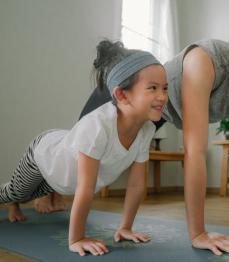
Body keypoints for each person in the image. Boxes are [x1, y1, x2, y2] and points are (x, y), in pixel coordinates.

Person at [38, 16, 229, 256]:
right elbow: (194, 151)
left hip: (159, 115)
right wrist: (198, 233)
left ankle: (53, 196)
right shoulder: (205, 59)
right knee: (73, 153)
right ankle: (47, 192)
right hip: (130, 101)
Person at [0, 40, 168, 256]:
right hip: (43, 155)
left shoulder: (145, 130)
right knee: (16, 192)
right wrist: (77, 238)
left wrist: (125, 227)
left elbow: (136, 186)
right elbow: (85, 188)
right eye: (152, 88)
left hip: (61, 176)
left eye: (164, 88)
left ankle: (16, 201)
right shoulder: (98, 125)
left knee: (28, 194)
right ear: (122, 95)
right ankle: (13, 201)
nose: (162, 96)